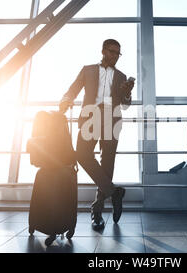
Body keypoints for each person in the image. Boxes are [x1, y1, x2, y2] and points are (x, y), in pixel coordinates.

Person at [59, 39, 134, 230]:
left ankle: (97, 213)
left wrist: (127, 94)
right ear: (103, 51)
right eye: (112, 52)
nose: (115, 56)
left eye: (118, 53)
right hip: (90, 117)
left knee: (107, 165)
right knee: (82, 154)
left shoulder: (122, 76)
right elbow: (73, 89)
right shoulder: (88, 70)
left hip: (111, 118)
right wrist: (66, 100)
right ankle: (114, 192)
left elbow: (125, 105)